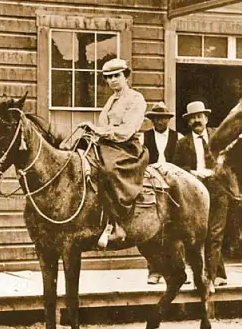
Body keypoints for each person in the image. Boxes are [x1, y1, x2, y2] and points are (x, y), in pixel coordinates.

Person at [79, 58, 148, 249]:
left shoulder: (136, 99)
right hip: (108, 144)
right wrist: (91, 131)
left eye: (117, 76)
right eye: (108, 77)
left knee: (107, 170)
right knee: (82, 162)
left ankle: (116, 224)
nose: (112, 80)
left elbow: (126, 130)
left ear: (125, 76)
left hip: (127, 147)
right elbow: (105, 126)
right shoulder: (111, 100)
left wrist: (100, 131)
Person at [174, 101, 230, 287]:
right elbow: (177, 168)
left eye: (200, 116)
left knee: (215, 233)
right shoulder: (183, 143)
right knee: (199, 233)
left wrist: (218, 172)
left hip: (218, 189)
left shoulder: (219, 136)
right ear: (189, 122)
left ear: (206, 118)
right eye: (193, 118)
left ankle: (211, 278)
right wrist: (192, 174)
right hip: (195, 191)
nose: (197, 120)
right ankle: (215, 274)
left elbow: (230, 160)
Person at [140, 101, 184, 284]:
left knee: (176, 228)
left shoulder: (179, 137)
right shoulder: (145, 137)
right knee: (152, 228)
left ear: (168, 119)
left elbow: (182, 162)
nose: (160, 121)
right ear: (152, 120)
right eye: (157, 118)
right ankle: (154, 271)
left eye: (164, 118)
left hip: (173, 184)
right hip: (152, 183)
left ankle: (178, 272)